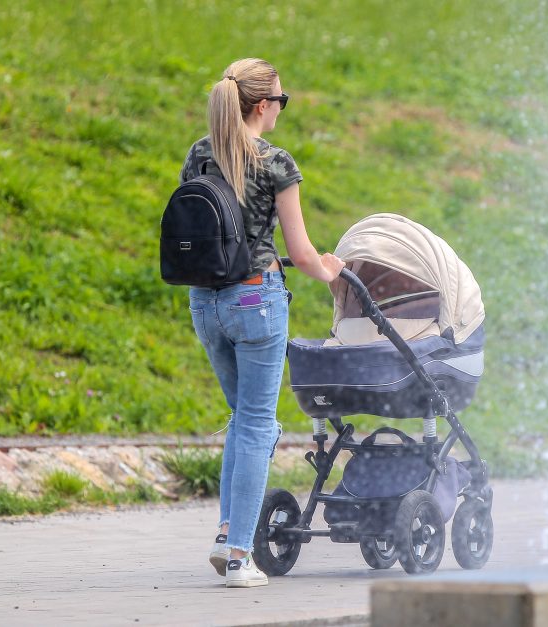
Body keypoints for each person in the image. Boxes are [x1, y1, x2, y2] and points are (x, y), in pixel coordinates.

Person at [178, 58, 345, 588]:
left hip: (205, 302)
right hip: (255, 301)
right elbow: (300, 250)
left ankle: (228, 527)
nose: (281, 108)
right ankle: (238, 556)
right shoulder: (275, 163)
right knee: (255, 423)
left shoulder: (199, 155)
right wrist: (329, 269)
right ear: (262, 105)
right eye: (281, 100)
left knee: (242, 419)